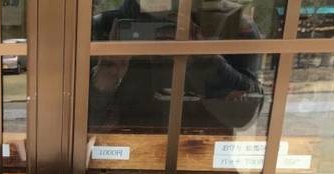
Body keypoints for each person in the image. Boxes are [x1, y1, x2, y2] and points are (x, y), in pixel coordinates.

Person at [90, 0, 266, 132]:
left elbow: (243, 117)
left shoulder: (233, 24)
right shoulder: (102, 28)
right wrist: (105, 78)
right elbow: (84, 126)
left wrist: (202, 58)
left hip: (201, 157)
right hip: (198, 155)